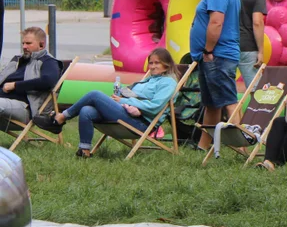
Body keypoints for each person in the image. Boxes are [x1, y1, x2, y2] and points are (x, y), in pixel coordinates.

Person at [34, 49, 179, 157]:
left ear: (166, 65)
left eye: (157, 63)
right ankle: (84, 150)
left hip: (142, 123)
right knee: (86, 110)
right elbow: (132, 94)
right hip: (127, 112)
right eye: (151, 63)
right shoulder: (150, 79)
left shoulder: (168, 82)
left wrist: (123, 100)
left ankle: (60, 118)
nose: (152, 66)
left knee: (95, 95)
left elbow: (155, 106)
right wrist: (121, 96)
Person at [189, 0, 242, 150]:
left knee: (228, 100)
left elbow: (216, 22)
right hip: (215, 55)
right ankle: (203, 146)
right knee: (212, 104)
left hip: (217, 55)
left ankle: (243, 147)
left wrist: (208, 49)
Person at [0, 27, 61, 130]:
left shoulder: (48, 62)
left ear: (41, 45)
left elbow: (48, 81)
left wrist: (15, 85)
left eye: (28, 43)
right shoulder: (18, 59)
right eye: (23, 43)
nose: (24, 46)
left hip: (25, 108)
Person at [234, 0, 267, 88]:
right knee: (255, 90)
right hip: (248, 47)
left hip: (226, 46)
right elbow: (257, 22)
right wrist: (261, 51)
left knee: (224, 91)